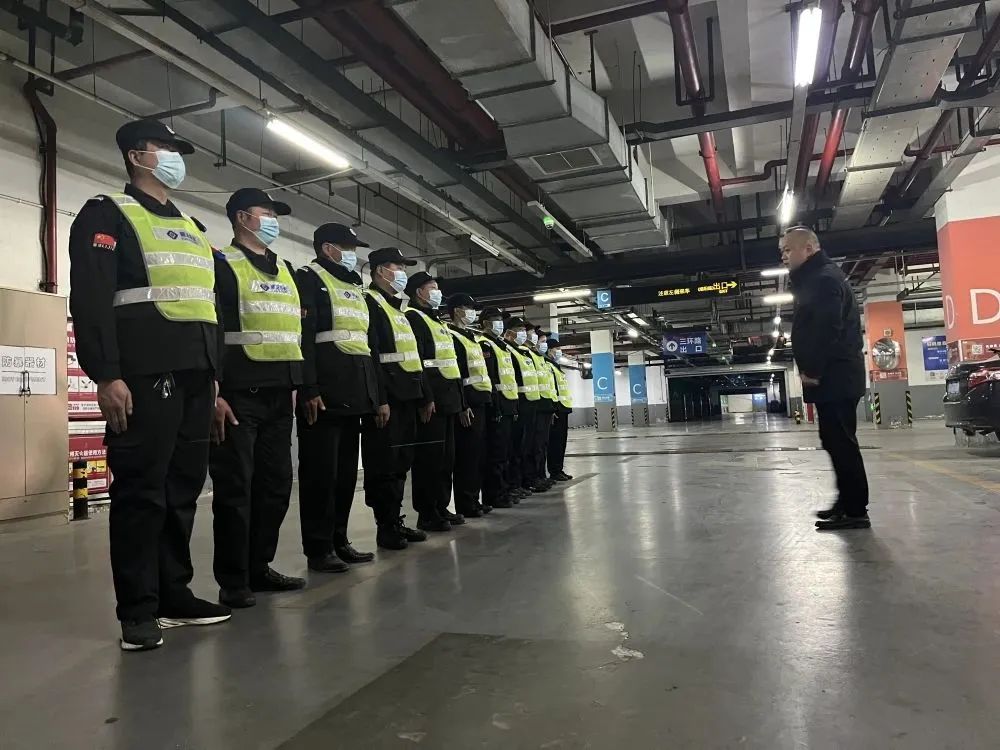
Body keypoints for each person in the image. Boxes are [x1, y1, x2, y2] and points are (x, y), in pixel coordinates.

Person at [69, 118, 231, 652]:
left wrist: (215, 382)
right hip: (144, 374)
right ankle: (137, 610)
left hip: (196, 375)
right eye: (164, 147)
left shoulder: (193, 227)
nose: (173, 157)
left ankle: (172, 594)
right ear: (136, 156)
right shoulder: (107, 214)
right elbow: (91, 299)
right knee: (142, 490)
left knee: (183, 487)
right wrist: (106, 374)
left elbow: (209, 308)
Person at [210, 188, 305, 608]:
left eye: (275, 215)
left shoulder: (285, 270)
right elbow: (211, 327)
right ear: (242, 218)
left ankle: (258, 567)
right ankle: (233, 580)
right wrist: (214, 391)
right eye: (266, 213)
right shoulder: (222, 264)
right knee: (236, 489)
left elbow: (293, 330)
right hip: (238, 396)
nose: (273, 221)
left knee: (276, 485)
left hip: (280, 395)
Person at [296, 223, 381, 572]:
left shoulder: (353, 287)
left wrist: (373, 395)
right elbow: (304, 337)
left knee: (345, 474)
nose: (352, 254)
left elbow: (365, 343)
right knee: (321, 475)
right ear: (327, 248)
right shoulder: (309, 278)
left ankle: (339, 540)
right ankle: (319, 548)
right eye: (347, 248)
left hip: (353, 392)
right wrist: (309, 388)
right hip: (325, 393)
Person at [781, 226, 870, 530]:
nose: (784, 256)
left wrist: (814, 370)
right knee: (834, 440)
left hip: (835, 376)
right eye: (782, 251)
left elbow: (827, 328)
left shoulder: (823, 280)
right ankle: (846, 502)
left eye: (788, 250)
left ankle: (855, 510)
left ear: (808, 249)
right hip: (835, 376)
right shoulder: (817, 278)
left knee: (841, 442)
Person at [362, 247, 430, 549]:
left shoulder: (397, 310)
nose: (402, 273)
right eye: (397, 267)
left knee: (402, 463)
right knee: (384, 465)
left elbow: (413, 356)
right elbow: (372, 354)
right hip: (388, 396)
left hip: (408, 395)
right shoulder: (370, 303)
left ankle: (395, 520)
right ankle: (385, 526)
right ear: (380, 270)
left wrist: (423, 395)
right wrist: (379, 398)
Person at [405, 272, 468, 531]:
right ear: (419, 292)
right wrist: (426, 397)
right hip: (433, 399)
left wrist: (460, 401)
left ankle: (441, 506)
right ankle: (427, 512)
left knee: (446, 459)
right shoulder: (413, 317)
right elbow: (418, 360)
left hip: (449, 397)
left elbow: (451, 363)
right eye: (431, 288)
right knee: (429, 460)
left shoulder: (437, 321)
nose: (437, 292)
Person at [446, 294, 493, 517]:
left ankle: (474, 499)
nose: (472, 312)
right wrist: (462, 404)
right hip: (468, 403)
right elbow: (457, 372)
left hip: (480, 400)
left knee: (477, 456)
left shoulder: (471, 337)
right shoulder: (453, 336)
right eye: (468, 307)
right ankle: (466, 503)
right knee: (466, 456)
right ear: (457, 310)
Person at [478, 307, 519, 509]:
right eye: (495, 319)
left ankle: (504, 489)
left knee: (506, 452)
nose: (499, 323)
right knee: (495, 453)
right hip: (498, 405)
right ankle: (494, 494)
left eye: (500, 319)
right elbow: (491, 377)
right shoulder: (484, 344)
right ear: (485, 323)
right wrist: (496, 407)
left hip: (509, 404)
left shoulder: (502, 346)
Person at [503, 317, 539, 501]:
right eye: (520, 329)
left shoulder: (523, 352)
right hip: (516, 403)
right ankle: (514, 484)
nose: (524, 334)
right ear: (509, 332)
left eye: (525, 330)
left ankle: (523, 482)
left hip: (529, 403)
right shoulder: (507, 350)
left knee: (524, 447)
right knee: (513, 449)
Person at [526, 327, 557, 493]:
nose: (545, 344)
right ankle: (534, 477)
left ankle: (540, 475)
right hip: (536, 406)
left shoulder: (541, 359)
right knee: (535, 445)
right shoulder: (530, 356)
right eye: (542, 341)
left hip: (546, 405)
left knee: (542, 445)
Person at [544, 333, 574, 482]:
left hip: (563, 408)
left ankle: (559, 469)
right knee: (554, 443)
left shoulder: (556, 366)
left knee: (561, 442)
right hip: (556, 410)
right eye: (556, 349)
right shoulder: (547, 365)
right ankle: (554, 471)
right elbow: (550, 388)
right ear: (549, 350)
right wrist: (553, 408)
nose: (559, 352)